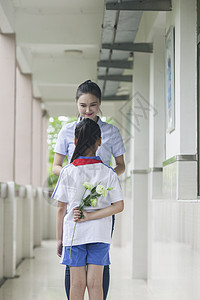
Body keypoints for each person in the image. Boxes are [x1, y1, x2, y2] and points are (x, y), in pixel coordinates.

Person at [52, 80, 126, 299]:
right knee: (80, 264)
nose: (87, 110)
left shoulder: (111, 131)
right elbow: (57, 165)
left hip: (103, 203)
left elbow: (121, 165)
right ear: (77, 103)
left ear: (100, 103)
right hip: (77, 201)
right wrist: (75, 175)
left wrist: (102, 183)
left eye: (92, 105)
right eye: (83, 105)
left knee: (100, 263)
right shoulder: (67, 131)